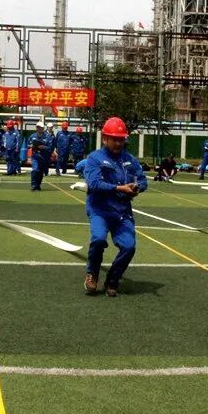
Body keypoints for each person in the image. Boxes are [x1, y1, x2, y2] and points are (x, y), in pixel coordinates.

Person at [82, 116, 148, 297]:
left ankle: (113, 279)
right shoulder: (95, 158)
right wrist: (119, 188)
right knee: (98, 239)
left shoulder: (130, 159)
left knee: (129, 246)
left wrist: (137, 187)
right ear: (105, 139)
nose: (118, 143)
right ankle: (92, 273)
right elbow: (94, 183)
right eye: (114, 139)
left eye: (121, 139)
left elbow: (143, 180)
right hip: (100, 209)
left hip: (122, 211)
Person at [28, 121, 52, 191]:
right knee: (35, 170)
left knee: (40, 172)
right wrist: (31, 146)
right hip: (35, 156)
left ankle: (38, 185)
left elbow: (49, 147)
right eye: (38, 127)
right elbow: (28, 145)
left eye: (40, 127)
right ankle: (33, 185)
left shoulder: (47, 137)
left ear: (43, 128)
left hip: (43, 157)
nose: (39, 129)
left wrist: (43, 147)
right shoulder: (32, 136)